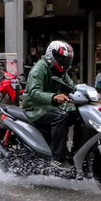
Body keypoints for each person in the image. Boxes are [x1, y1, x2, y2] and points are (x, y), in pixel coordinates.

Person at [22, 41, 81, 171]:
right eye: (61, 58)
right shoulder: (39, 68)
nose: (64, 62)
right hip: (35, 108)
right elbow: (34, 93)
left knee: (79, 114)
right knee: (61, 117)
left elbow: (71, 86)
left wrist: (87, 93)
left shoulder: (61, 70)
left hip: (51, 106)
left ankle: (77, 153)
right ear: (51, 55)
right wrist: (54, 97)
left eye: (66, 60)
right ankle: (57, 159)